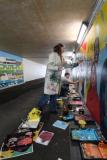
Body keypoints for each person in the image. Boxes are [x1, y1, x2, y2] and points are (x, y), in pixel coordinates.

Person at [44, 43, 81, 113]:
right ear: (59, 48)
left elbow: (67, 65)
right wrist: (59, 68)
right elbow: (49, 66)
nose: (64, 49)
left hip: (56, 79)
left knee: (54, 96)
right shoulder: (53, 55)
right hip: (51, 79)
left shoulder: (61, 57)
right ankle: (39, 107)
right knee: (46, 95)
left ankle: (53, 109)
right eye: (63, 48)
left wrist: (77, 64)